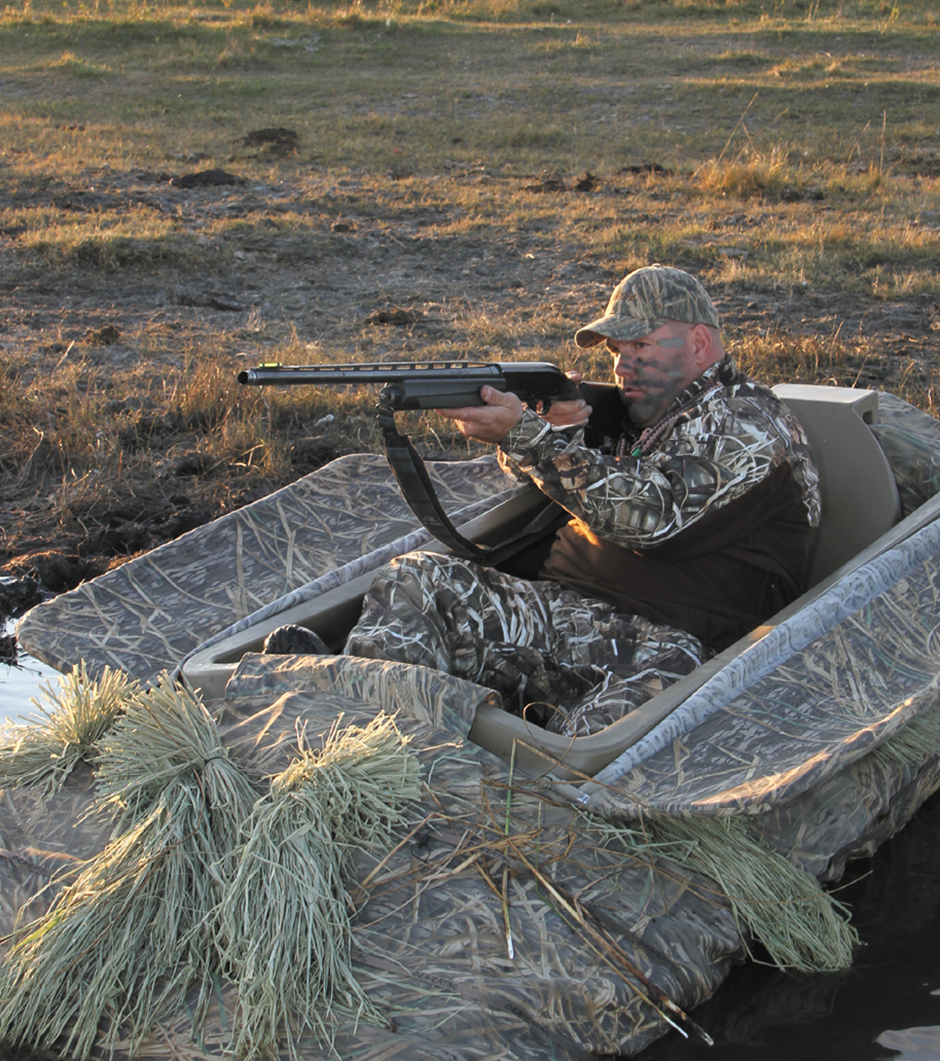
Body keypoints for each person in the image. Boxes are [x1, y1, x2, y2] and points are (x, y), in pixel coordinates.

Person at [276, 266, 821, 737]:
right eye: (615, 350)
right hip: (558, 610)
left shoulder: (751, 425)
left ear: (700, 343)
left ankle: (417, 731)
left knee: (604, 735)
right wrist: (550, 433)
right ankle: (350, 730)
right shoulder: (639, 417)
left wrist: (529, 438)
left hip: (667, 647)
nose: (622, 365)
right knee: (418, 579)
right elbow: (565, 483)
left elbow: (652, 518)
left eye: (641, 346)